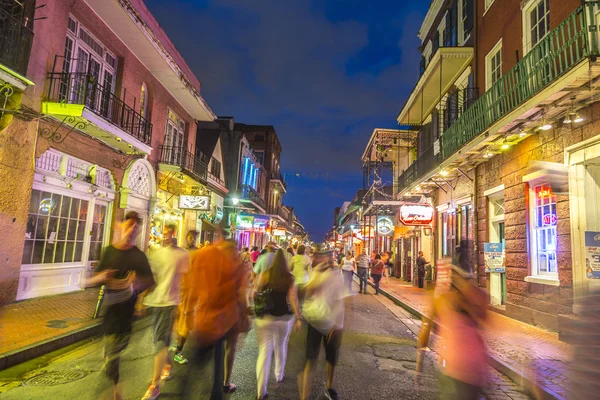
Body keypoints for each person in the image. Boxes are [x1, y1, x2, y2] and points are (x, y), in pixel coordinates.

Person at [87, 211, 155, 400]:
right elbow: (93, 279)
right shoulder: (109, 251)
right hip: (109, 314)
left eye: (136, 227)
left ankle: (115, 391)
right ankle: (116, 391)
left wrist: (136, 284)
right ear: (121, 227)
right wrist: (104, 277)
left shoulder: (139, 256)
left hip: (126, 317)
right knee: (110, 358)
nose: (132, 229)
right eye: (129, 225)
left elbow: (150, 282)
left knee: (113, 356)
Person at [180, 238, 247, 400]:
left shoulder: (205, 256)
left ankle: (192, 390)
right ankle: (222, 385)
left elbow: (192, 287)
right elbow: (242, 295)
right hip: (225, 321)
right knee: (218, 359)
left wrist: (186, 313)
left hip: (207, 322)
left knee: (200, 362)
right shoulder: (237, 266)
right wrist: (244, 318)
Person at [416, 265, 488, 399]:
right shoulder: (478, 299)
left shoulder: (440, 299)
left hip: (452, 362)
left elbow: (425, 329)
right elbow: (485, 321)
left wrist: (419, 362)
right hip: (477, 365)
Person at [141, 224, 190, 400]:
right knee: (162, 339)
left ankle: (155, 385)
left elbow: (186, 280)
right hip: (155, 301)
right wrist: (141, 299)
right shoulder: (155, 254)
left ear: (174, 234)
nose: (166, 235)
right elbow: (151, 278)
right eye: (164, 233)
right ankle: (167, 365)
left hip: (170, 302)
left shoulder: (182, 254)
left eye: (169, 233)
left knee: (160, 342)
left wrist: (182, 305)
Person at [254, 249, 302, 399]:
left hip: (265, 317)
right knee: (281, 345)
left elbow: (255, 291)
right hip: (283, 318)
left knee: (264, 351)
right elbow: (293, 298)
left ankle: (261, 391)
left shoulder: (266, 274)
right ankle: (279, 374)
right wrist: (298, 317)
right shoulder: (289, 277)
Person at [300, 248, 347, 400]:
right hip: (316, 320)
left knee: (331, 358)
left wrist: (338, 324)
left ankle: (329, 386)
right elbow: (308, 291)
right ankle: (305, 395)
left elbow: (341, 301)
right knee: (311, 358)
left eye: (327, 257)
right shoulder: (316, 273)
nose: (324, 260)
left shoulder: (337, 275)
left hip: (332, 324)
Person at [171, 231, 200, 365]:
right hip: (179, 290)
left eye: (194, 238)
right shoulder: (181, 252)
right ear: (186, 238)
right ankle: (177, 344)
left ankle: (179, 351)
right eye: (190, 237)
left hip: (191, 291)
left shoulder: (198, 253)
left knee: (186, 321)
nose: (192, 240)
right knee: (177, 319)